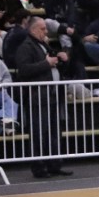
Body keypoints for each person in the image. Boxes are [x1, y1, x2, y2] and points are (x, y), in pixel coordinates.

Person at [14, 17, 72, 179]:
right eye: (43, 29)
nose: (46, 32)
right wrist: (47, 63)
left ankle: (54, 164)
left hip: (52, 95)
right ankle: (39, 167)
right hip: (37, 97)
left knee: (54, 132)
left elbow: (54, 64)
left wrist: (61, 58)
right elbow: (24, 70)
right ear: (33, 30)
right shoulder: (25, 47)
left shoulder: (44, 45)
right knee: (39, 133)